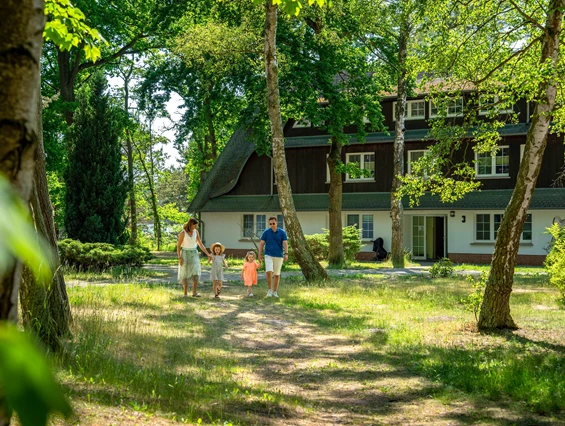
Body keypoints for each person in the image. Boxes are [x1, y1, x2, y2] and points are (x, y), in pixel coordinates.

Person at [177, 218, 212, 297]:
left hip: (194, 253)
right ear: (190, 224)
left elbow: (200, 244)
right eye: (194, 225)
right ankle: (185, 293)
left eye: (196, 226)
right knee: (185, 272)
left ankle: (194, 292)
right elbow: (178, 246)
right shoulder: (183, 233)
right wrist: (179, 257)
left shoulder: (196, 232)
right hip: (185, 253)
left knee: (195, 272)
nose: (195, 227)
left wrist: (208, 254)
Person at [258, 216, 288, 298]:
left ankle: (275, 291)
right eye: (270, 224)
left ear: (276, 222)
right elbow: (261, 243)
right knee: (268, 271)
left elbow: (285, 243)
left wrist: (286, 253)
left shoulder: (282, 232)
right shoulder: (266, 232)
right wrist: (259, 254)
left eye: (273, 223)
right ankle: (269, 290)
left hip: (279, 255)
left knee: (277, 274)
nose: (272, 225)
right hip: (268, 254)